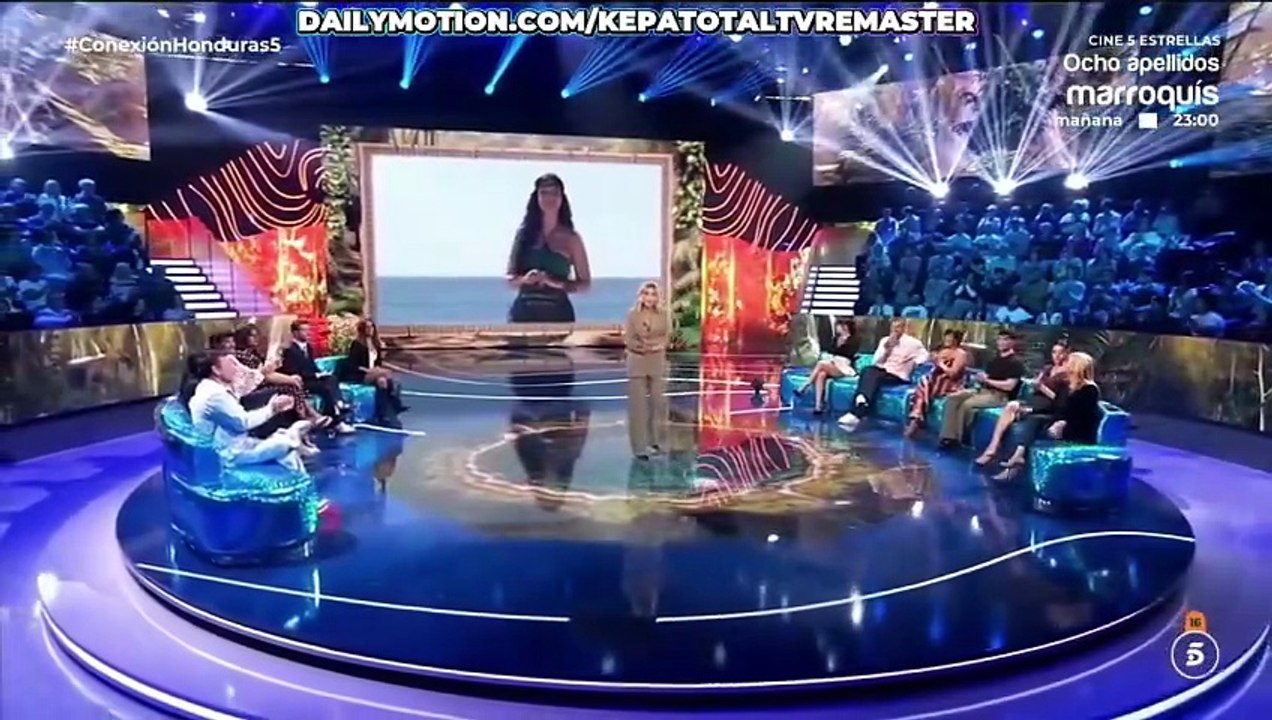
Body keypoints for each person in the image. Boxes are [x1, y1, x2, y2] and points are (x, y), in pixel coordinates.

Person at [180, 351, 311, 473]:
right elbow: (243, 423)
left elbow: (249, 383)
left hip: (239, 444)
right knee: (283, 445)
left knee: (287, 452)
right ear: (216, 370)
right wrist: (273, 408)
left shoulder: (216, 388)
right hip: (227, 455)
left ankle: (299, 475)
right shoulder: (214, 396)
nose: (235, 369)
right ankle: (291, 438)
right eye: (230, 365)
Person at [992, 352, 1102, 481]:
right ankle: (1017, 458)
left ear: (1077, 366)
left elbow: (1082, 416)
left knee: (1033, 427)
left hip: (1075, 429)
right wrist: (1030, 410)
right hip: (1059, 422)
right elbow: (1054, 407)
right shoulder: (1066, 385)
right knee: (1032, 420)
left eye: (1069, 362)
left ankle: (1013, 466)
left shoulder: (1090, 389)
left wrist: (1063, 423)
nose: (1065, 364)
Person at [210, 333, 327, 450]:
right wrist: (265, 372)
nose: (231, 344)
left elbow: (256, 374)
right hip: (246, 393)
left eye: (232, 341)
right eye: (227, 342)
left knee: (290, 388)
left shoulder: (242, 356)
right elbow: (251, 378)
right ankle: (304, 420)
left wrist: (268, 372)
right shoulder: (231, 359)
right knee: (286, 390)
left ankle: (304, 426)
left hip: (256, 385)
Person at [506, 174, 592, 323]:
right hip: (524, 314)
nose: (549, 198)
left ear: (562, 198)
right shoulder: (524, 235)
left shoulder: (572, 238)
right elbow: (510, 279)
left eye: (554, 193)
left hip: (558, 314)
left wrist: (554, 283)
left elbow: (585, 284)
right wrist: (526, 279)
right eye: (544, 193)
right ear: (536, 197)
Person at [975, 338, 1072, 465]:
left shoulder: (1068, 374)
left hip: (1047, 406)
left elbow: (1059, 400)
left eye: (1060, 353)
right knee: (1011, 406)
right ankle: (993, 446)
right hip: (1035, 400)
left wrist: (1042, 388)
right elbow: (1036, 385)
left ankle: (996, 450)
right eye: (1054, 352)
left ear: (1067, 354)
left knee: (1014, 408)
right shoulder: (1048, 368)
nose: (1057, 356)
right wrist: (1035, 385)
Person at [937, 329, 1025, 449]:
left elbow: (1009, 386)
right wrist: (979, 379)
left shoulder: (1016, 363)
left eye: (1005, 340)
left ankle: (959, 439)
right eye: (1000, 339)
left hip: (1000, 396)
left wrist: (987, 381)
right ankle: (948, 436)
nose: (1001, 342)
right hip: (983, 391)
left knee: (967, 405)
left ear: (1012, 342)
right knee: (953, 398)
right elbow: (986, 377)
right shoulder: (994, 360)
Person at [839, 318, 928, 428]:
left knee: (872, 376)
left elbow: (925, 356)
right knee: (867, 370)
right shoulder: (885, 341)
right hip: (883, 371)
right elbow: (876, 362)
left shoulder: (913, 343)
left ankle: (857, 409)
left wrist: (914, 362)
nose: (895, 330)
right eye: (893, 328)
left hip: (898, 375)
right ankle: (862, 401)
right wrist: (886, 350)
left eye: (898, 328)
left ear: (904, 328)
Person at [279, 320, 356, 434]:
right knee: (325, 389)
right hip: (300, 382)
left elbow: (311, 366)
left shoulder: (308, 347)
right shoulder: (289, 350)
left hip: (312, 377)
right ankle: (336, 422)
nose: (307, 333)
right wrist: (314, 374)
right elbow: (292, 371)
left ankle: (339, 403)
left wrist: (320, 373)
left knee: (331, 378)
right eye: (304, 330)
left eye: (308, 330)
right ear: (295, 332)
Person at [624, 281, 668, 459]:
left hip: (656, 362)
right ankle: (639, 448)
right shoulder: (632, 315)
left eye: (653, 294)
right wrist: (646, 347)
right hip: (637, 362)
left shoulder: (664, 315)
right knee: (638, 407)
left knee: (658, 403)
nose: (649, 297)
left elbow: (666, 336)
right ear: (641, 296)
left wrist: (659, 346)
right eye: (646, 294)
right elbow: (629, 339)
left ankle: (656, 441)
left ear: (657, 297)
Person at [339, 319, 408, 426]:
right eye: (367, 327)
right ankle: (394, 405)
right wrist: (369, 371)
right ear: (362, 329)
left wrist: (376, 371)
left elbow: (378, 363)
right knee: (384, 377)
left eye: (372, 327)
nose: (370, 329)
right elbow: (352, 365)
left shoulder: (376, 344)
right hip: (360, 373)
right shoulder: (357, 344)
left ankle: (385, 412)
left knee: (383, 381)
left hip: (374, 373)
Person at [904, 329, 969, 438]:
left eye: (950, 337)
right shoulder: (943, 351)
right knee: (924, 382)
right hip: (936, 380)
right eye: (946, 337)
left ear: (956, 339)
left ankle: (916, 420)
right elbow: (932, 366)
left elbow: (953, 373)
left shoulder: (961, 354)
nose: (947, 339)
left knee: (925, 385)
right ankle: (917, 419)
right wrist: (933, 359)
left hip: (951, 383)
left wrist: (941, 364)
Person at [794, 318, 859, 415]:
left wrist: (842, 344)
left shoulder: (854, 340)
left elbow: (849, 353)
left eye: (838, 326)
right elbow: (831, 350)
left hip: (844, 367)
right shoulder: (836, 338)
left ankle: (804, 386)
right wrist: (838, 343)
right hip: (834, 363)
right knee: (821, 374)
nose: (837, 328)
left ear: (845, 327)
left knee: (821, 364)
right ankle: (818, 406)